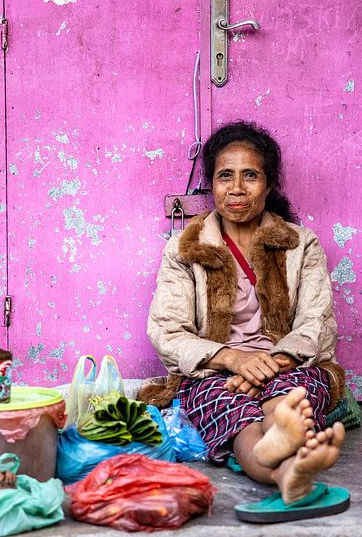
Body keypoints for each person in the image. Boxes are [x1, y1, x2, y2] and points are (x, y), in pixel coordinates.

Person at [142, 120, 346, 505]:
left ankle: (282, 453)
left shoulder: (302, 245)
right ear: (212, 185)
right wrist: (233, 359)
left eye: (250, 176)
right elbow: (168, 330)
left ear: (269, 186)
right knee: (236, 417)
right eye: (225, 176)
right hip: (216, 372)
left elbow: (315, 322)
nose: (236, 188)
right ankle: (285, 467)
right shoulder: (184, 249)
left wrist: (272, 363)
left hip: (289, 364)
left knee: (290, 399)